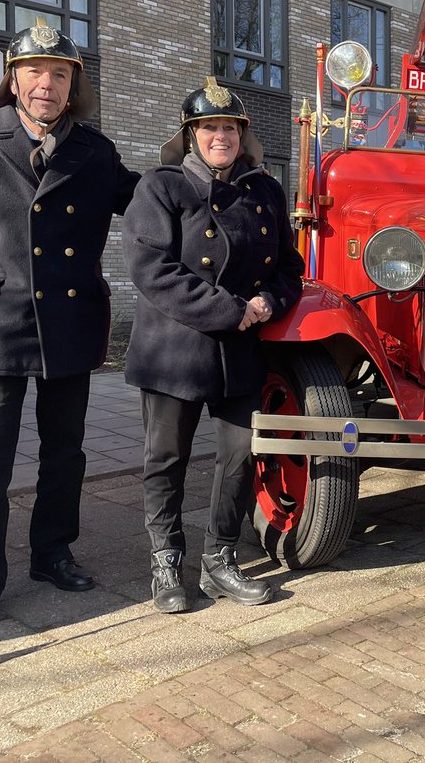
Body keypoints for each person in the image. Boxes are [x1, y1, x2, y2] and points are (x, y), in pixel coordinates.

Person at [0, 19, 139, 644]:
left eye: (60, 74)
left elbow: (147, 205)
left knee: (66, 453)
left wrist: (203, 177)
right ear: (13, 81)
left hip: (69, 326)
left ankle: (52, 554)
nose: (47, 84)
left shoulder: (96, 152)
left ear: (74, 87)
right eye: (35, 72)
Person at [123, 77, 303, 614]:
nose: (219, 136)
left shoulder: (265, 191)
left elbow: (289, 267)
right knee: (167, 458)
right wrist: (232, 310)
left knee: (241, 455)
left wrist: (270, 301)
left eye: (229, 127)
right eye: (208, 127)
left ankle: (221, 560)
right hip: (175, 347)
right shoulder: (161, 186)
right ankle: (166, 562)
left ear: (243, 135)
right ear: (191, 135)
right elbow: (151, 268)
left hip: (241, 349)